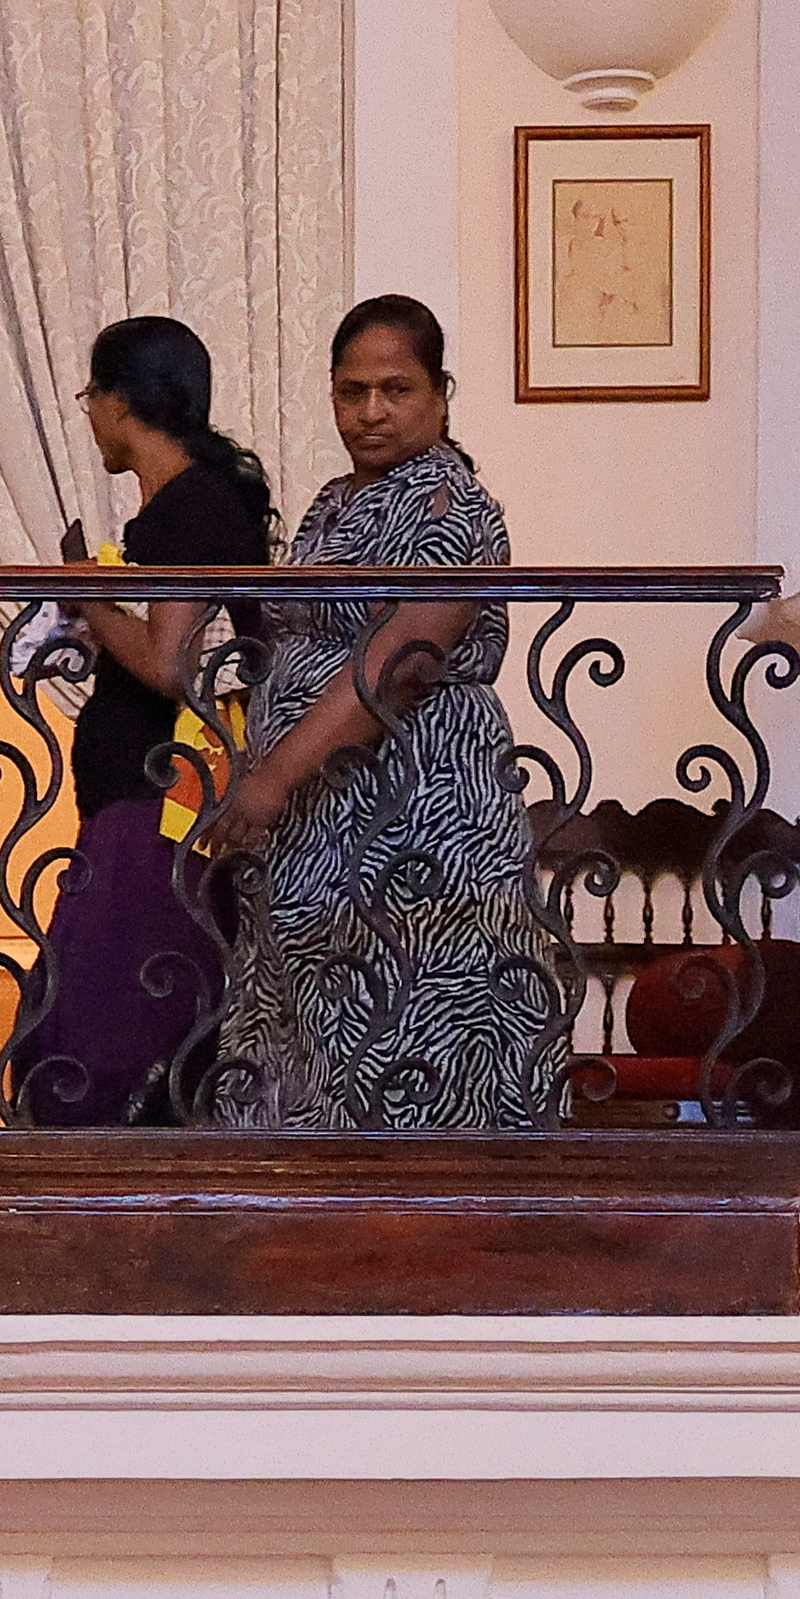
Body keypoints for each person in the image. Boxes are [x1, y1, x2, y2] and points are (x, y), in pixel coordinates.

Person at [206, 297, 570, 1132]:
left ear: (442, 394)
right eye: (351, 391)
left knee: (417, 1025)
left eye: (396, 389)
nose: (371, 411)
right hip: (318, 816)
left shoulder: (452, 503)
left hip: (413, 808)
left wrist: (273, 779)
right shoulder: (335, 501)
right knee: (313, 1033)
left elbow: (405, 658)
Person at [11, 312, 272, 1125]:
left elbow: (170, 663)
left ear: (122, 403)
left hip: (164, 810)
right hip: (146, 802)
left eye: (91, 395)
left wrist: (87, 590)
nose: (89, 414)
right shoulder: (190, 501)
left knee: (101, 1038)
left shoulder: (190, 503)